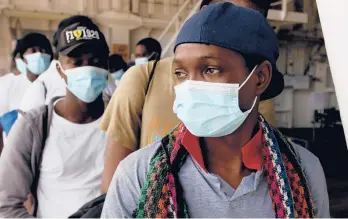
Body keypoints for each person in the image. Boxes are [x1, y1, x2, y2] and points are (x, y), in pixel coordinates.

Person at [102, 3, 330, 218]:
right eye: (180, 73)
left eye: (210, 69)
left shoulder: (303, 172)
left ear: (260, 78)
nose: (190, 86)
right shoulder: (139, 173)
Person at [99, 0, 280, 194]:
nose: (233, 26)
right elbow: (113, 187)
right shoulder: (142, 79)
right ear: (203, 13)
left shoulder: (255, 95)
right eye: (180, 73)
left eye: (247, 22)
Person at [0, 15, 110, 218]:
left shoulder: (123, 121)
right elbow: (7, 204)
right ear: (59, 70)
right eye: (76, 62)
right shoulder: (34, 126)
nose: (87, 69)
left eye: (95, 62)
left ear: (107, 68)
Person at [0, 33, 53, 152]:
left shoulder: (57, 85)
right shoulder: (6, 85)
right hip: (14, 155)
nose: (39, 54)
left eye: (43, 50)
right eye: (33, 50)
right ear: (21, 57)